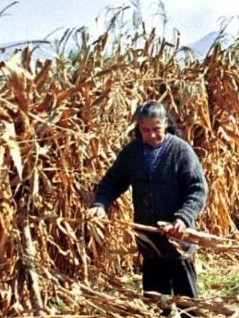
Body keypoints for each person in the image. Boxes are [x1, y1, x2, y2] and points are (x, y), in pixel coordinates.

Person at [86, 100, 208, 298]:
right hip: (148, 240)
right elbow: (112, 182)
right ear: (139, 129)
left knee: (187, 303)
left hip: (177, 239)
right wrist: (100, 204)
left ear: (166, 124)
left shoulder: (180, 151)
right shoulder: (132, 154)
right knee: (155, 301)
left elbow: (197, 189)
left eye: (156, 129)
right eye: (145, 130)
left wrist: (183, 218)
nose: (151, 135)